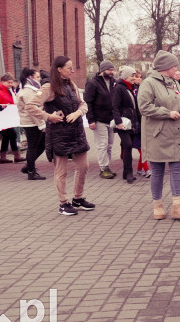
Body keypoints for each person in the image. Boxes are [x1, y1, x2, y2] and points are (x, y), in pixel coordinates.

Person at [25, 56, 96, 216]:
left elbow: (83, 104)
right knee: (61, 171)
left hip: (76, 132)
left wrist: (78, 113)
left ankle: (78, 198)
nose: (72, 70)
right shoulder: (49, 87)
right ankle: (63, 203)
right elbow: (30, 105)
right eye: (69, 67)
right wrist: (48, 116)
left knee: (83, 166)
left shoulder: (71, 84)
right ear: (59, 69)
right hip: (59, 135)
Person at [139, 50, 180, 221]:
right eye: (173, 65)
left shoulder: (174, 83)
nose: (176, 68)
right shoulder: (149, 83)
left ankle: (177, 206)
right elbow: (144, 106)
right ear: (165, 67)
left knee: (177, 169)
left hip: (176, 133)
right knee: (157, 171)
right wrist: (167, 113)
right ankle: (158, 206)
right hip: (157, 134)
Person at [84, 60, 117, 179]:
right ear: (102, 70)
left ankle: (107, 166)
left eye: (112, 70)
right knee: (102, 144)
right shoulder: (93, 84)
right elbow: (88, 102)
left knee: (109, 145)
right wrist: (91, 120)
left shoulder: (114, 82)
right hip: (99, 119)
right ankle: (104, 168)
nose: (111, 72)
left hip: (111, 120)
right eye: (109, 70)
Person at [15, 68, 47, 181]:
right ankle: (31, 171)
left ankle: (29, 166)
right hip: (31, 123)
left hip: (32, 122)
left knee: (41, 145)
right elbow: (32, 109)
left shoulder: (31, 89)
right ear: (31, 77)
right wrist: (41, 124)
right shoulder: (28, 91)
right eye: (38, 77)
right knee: (33, 147)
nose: (40, 79)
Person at [112, 66, 142, 184]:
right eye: (131, 75)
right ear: (125, 76)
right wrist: (118, 122)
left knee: (127, 146)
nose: (134, 78)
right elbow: (114, 106)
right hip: (123, 122)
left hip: (133, 122)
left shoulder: (134, 87)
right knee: (128, 145)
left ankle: (126, 172)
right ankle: (129, 172)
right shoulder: (119, 88)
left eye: (135, 75)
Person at [0, 73, 24, 165]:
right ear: (2, 82)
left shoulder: (9, 91)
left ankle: (3, 157)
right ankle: (16, 156)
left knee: (6, 137)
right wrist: (3, 107)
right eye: (8, 82)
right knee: (12, 135)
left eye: (11, 82)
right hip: (2, 119)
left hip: (7, 119)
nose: (10, 84)